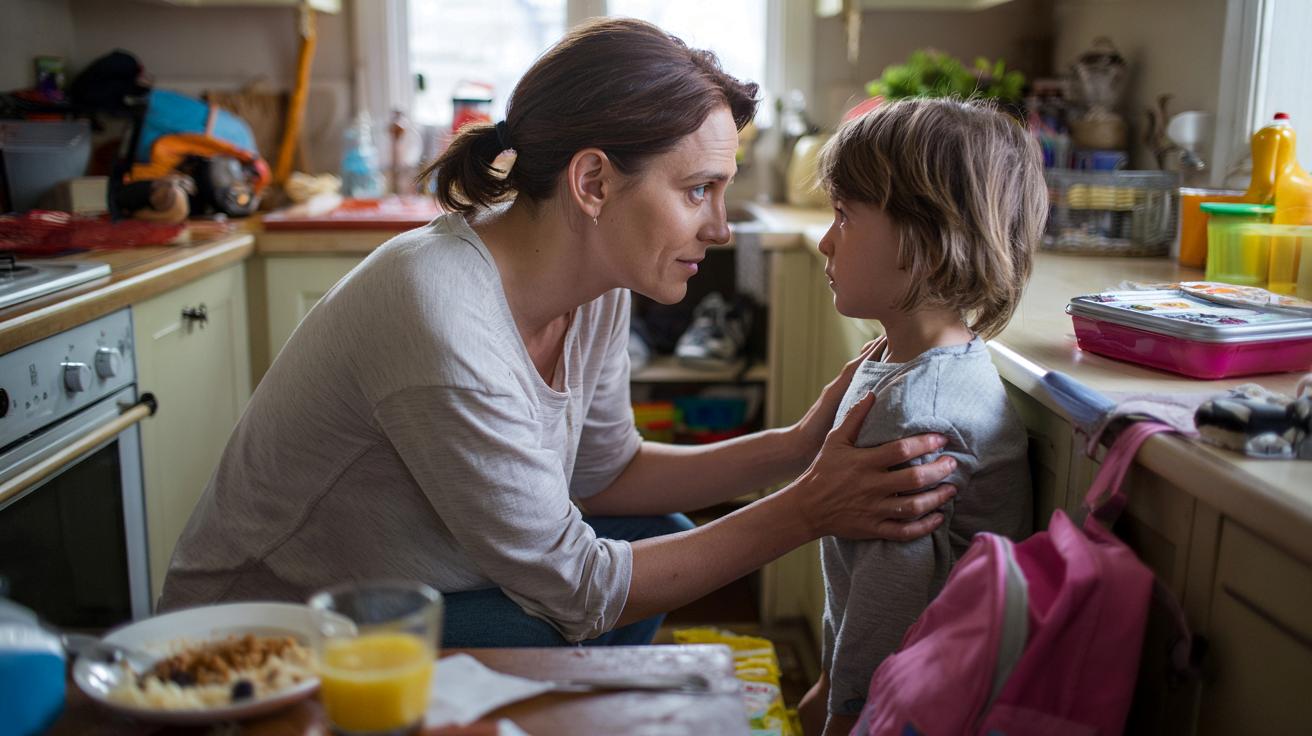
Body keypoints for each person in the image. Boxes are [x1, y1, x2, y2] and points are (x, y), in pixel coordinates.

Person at [160, 18, 959, 648]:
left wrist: (794, 447)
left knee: (658, 539)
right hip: (275, 632)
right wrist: (806, 510)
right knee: (581, 610)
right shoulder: (440, 314)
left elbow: (602, 474)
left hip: (423, 589)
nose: (717, 228)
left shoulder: (597, 285)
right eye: (698, 190)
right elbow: (577, 587)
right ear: (592, 182)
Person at [797, 98, 1046, 736]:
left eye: (844, 217)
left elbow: (891, 602)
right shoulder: (914, 364)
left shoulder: (916, 414)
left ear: (927, 243)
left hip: (910, 706)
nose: (826, 240)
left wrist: (842, 706)